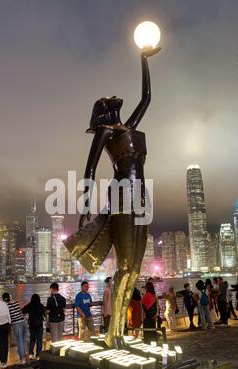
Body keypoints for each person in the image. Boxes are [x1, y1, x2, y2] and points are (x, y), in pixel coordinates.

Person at [63, 46, 161, 348]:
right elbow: (90, 169)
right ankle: (113, 334)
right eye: (106, 100)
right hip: (121, 196)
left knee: (134, 269)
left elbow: (147, 97)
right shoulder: (105, 131)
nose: (113, 97)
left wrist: (144, 59)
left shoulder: (128, 126)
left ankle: (118, 333)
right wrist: (85, 209)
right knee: (126, 268)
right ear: (103, 110)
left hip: (140, 196)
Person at [2, 292, 28, 365]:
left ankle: (22, 359)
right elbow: (20, 311)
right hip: (23, 322)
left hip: (16, 324)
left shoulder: (6, 306)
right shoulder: (16, 302)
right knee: (23, 341)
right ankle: (25, 357)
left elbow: (8, 316)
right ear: (9, 297)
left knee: (19, 341)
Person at [23, 294, 46, 360]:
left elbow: (23, 310)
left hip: (32, 325)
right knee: (39, 340)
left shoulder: (30, 305)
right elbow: (44, 314)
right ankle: (38, 355)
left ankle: (31, 354)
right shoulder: (40, 305)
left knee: (32, 340)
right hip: (39, 325)